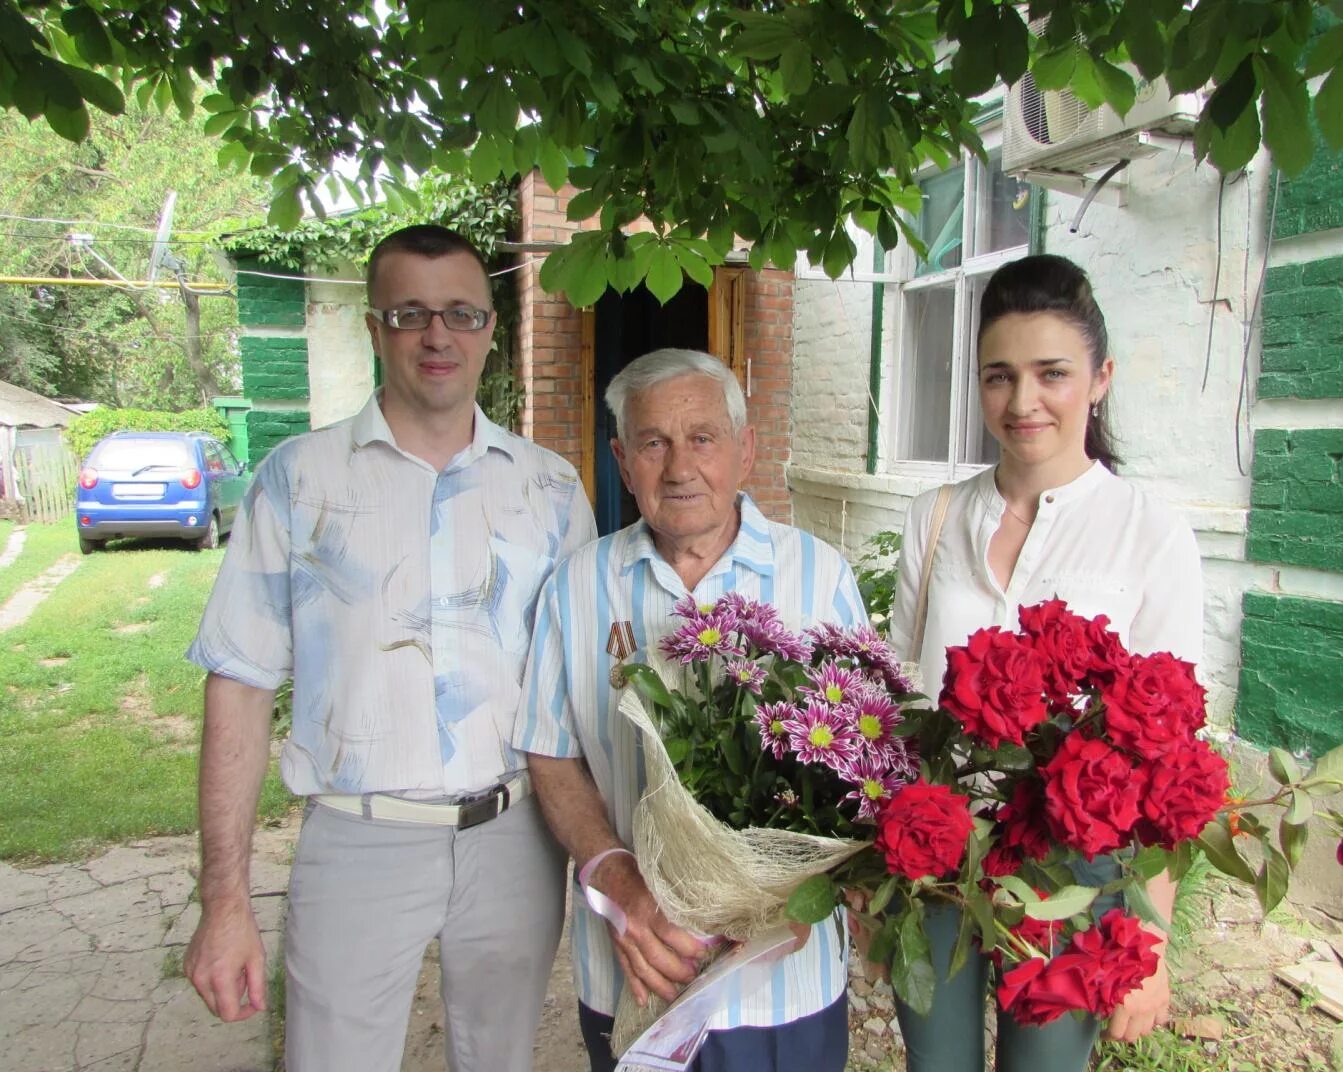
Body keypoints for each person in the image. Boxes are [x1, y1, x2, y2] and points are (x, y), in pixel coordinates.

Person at [182, 224, 596, 1072]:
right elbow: (240, 680)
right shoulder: (298, 481)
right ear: (374, 327)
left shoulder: (550, 487)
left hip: (516, 838)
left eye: (460, 314)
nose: (436, 335)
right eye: (410, 313)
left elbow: (584, 688)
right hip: (358, 839)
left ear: (489, 327)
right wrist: (223, 900)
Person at [889, 254, 1203, 1071]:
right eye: (999, 376)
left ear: (1099, 379)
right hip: (936, 858)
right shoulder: (935, 517)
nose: (1022, 402)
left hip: (1073, 865)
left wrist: (1148, 940)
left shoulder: (1148, 532)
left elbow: (1170, 762)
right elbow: (895, 696)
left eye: (1050, 374)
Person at [515, 348, 864, 1072]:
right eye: (652, 443)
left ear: (744, 451)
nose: (678, 468)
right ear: (621, 458)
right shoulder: (576, 586)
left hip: (783, 983)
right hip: (638, 970)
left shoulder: (817, 577)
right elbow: (551, 751)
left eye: (702, 438)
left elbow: (864, 762)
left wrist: (803, 888)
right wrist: (618, 879)